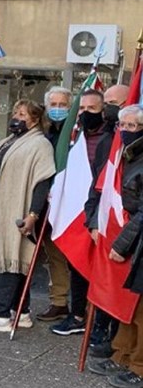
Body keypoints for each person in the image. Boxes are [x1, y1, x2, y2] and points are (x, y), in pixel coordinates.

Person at [0, 100, 54, 332]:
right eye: (16, 112)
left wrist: (33, 214)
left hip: (20, 209)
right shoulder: (7, 142)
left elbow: (42, 181)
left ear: (35, 119)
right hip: (0, 208)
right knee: (15, 260)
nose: (17, 117)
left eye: (23, 114)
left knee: (13, 259)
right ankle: (23, 312)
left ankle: (0, 314)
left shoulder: (40, 144)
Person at [89, 105, 143, 387]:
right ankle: (123, 354)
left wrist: (121, 244)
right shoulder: (127, 156)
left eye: (133, 126)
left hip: (137, 240)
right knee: (128, 306)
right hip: (132, 238)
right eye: (123, 126)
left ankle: (139, 366)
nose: (126, 131)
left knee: (142, 310)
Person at [49, 89, 107, 336]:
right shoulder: (74, 138)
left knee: (102, 271)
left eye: (91, 109)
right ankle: (77, 315)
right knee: (76, 264)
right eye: (81, 109)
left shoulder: (111, 138)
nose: (85, 114)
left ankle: (100, 324)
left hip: (103, 213)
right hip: (77, 212)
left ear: (103, 111)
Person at [85, 84, 130, 358]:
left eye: (115, 102)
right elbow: (98, 185)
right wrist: (93, 220)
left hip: (128, 226)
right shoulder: (107, 141)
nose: (111, 108)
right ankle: (101, 333)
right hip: (104, 221)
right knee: (103, 282)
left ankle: (120, 344)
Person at [35, 86, 74, 323]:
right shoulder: (44, 132)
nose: (58, 109)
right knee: (54, 256)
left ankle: (83, 306)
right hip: (48, 203)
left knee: (75, 256)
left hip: (71, 203)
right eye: (54, 105)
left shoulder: (75, 133)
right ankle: (59, 302)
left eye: (63, 105)